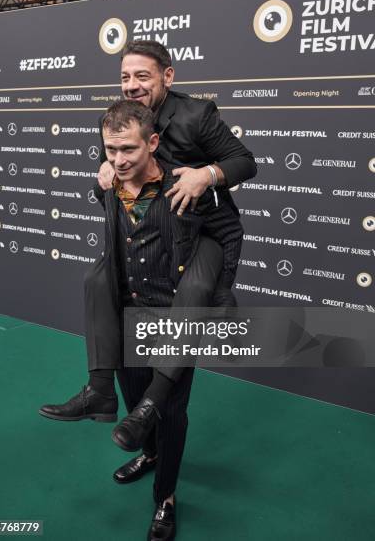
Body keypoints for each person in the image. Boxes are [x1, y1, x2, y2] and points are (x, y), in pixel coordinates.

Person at [39, 41, 256, 499]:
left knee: (191, 307)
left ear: (167, 77)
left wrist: (207, 175)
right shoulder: (120, 123)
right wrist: (103, 171)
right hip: (145, 270)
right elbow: (112, 175)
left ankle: (166, 497)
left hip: (200, 231)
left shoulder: (196, 116)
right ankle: (136, 432)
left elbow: (244, 163)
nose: (133, 85)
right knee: (98, 280)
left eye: (143, 76)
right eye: (125, 77)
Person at [78, 100, 245, 539]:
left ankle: (165, 498)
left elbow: (228, 231)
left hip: (175, 317)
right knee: (136, 404)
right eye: (110, 150)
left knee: (168, 411)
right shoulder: (110, 181)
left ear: (152, 142)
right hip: (129, 314)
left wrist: (221, 289)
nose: (118, 159)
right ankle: (148, 454)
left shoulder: (185, 184)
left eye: (128, 149)